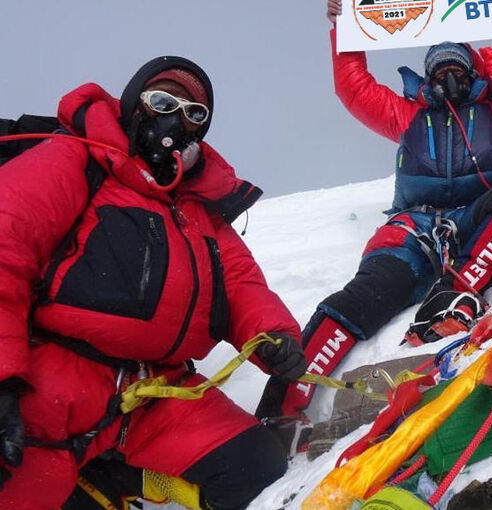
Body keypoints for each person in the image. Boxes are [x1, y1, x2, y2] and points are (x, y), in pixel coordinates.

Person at [256, 0, 492, 446]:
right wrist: (345, 29)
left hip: (475, 219)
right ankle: (278, 414)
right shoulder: (407, 117)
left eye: (456, 67)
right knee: (356, 300)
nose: (448, 76)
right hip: (413, 230)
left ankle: (455, 293)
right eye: (438, 69)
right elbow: (354, 86)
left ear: (473, 71)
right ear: (426, 78)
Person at [0, 56, 308, 510]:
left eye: (193, 112)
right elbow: (6, 247)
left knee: (256, 467)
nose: (176, 118)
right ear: (133, 105)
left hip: (153, 392)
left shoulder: (196, 206)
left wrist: (273, 336)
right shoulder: (74, 159)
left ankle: (107, 475)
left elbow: (240, 285)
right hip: (49, 385)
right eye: (163, 100)